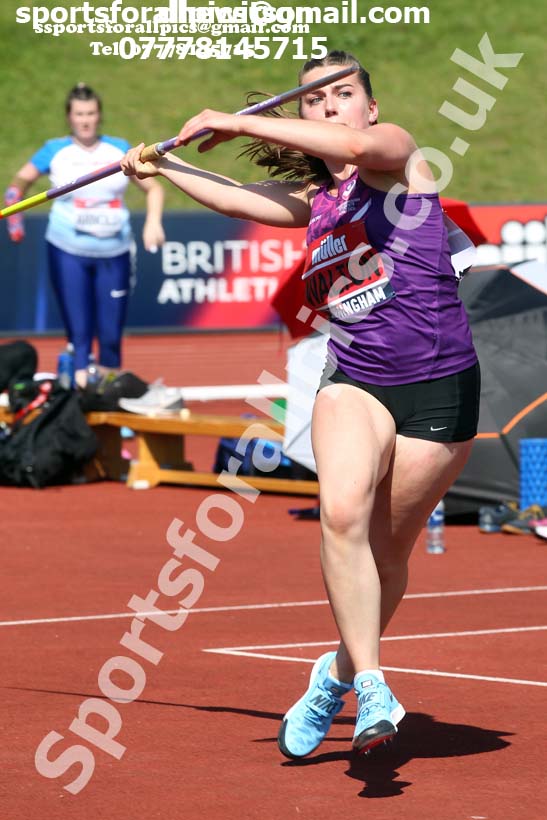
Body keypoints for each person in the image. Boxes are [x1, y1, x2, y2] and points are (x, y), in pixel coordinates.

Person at [120, 50, 480, 758]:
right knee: (341, 512)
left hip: (439, 387)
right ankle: (372, 681)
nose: (329, 107)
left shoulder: (402, 156)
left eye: (342, 93)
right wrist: (164, 169)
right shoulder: (315, 206)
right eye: (314, 98)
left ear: (367, 107)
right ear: (300, 112)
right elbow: (233, 198)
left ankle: (332, 675)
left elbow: (351, 149)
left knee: (387, 554)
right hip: (355, 381)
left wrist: (226, 119)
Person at [5, 83, 165, 387]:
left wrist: (153, 221)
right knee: (79, 334)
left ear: (99, 115)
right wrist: (15, 221)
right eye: (79, 114)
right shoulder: (54, 150)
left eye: (91, 113)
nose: (86, 120)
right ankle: (80, 402)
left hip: (114, 253)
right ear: (69, 117)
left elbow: (153, 186)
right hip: (68, 250)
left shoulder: (118, 149)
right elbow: (17, 186)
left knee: (110, 335)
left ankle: (107, 398)